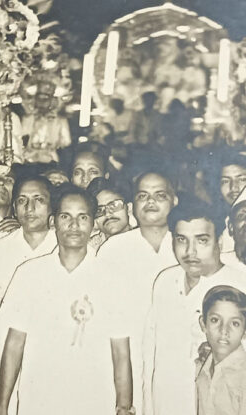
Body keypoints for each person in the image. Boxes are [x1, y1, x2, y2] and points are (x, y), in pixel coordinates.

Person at [0, 185, 134, 415]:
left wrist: (124, 406)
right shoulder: (29, 273)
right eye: (65, 216)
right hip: (38, 400)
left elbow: (121, 351)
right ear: (53, 222)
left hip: (95, 400)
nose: (74, 225)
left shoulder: (112, 277)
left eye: (83, 217)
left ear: (93, 224)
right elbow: (14, 345)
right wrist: (1, 405)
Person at [143, 197, 246, 415]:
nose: (190, 252)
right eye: (181, 240)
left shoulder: (243, 286)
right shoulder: (164, 281)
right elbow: (151, 355)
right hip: (165, 405)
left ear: (219, 241)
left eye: (201, 241)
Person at [97, 170, 179, 411]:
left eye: (160, 195)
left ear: (174, 201)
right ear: (132, 206)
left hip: (175, 353)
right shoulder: (113, 249)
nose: (150, 201)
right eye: (143, 196)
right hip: (125, 355)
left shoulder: (184, 243)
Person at [196, 285, 246, 415]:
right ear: (203, 324)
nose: (224, 330)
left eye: (234, 323)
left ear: (245, 331)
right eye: (215, 320)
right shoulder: (201, 367)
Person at [0, 175, 57, 298]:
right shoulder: (1, 248)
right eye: (21, 200)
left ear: (52, 206)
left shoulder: (63, 245)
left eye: (39, 200)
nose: (29, 208)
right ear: (14, 208)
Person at [87, 177, 132, 250]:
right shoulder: (90, 250)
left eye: (113, 205)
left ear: (129, 208)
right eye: (99, 210)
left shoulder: (145, 239)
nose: (107, 214)